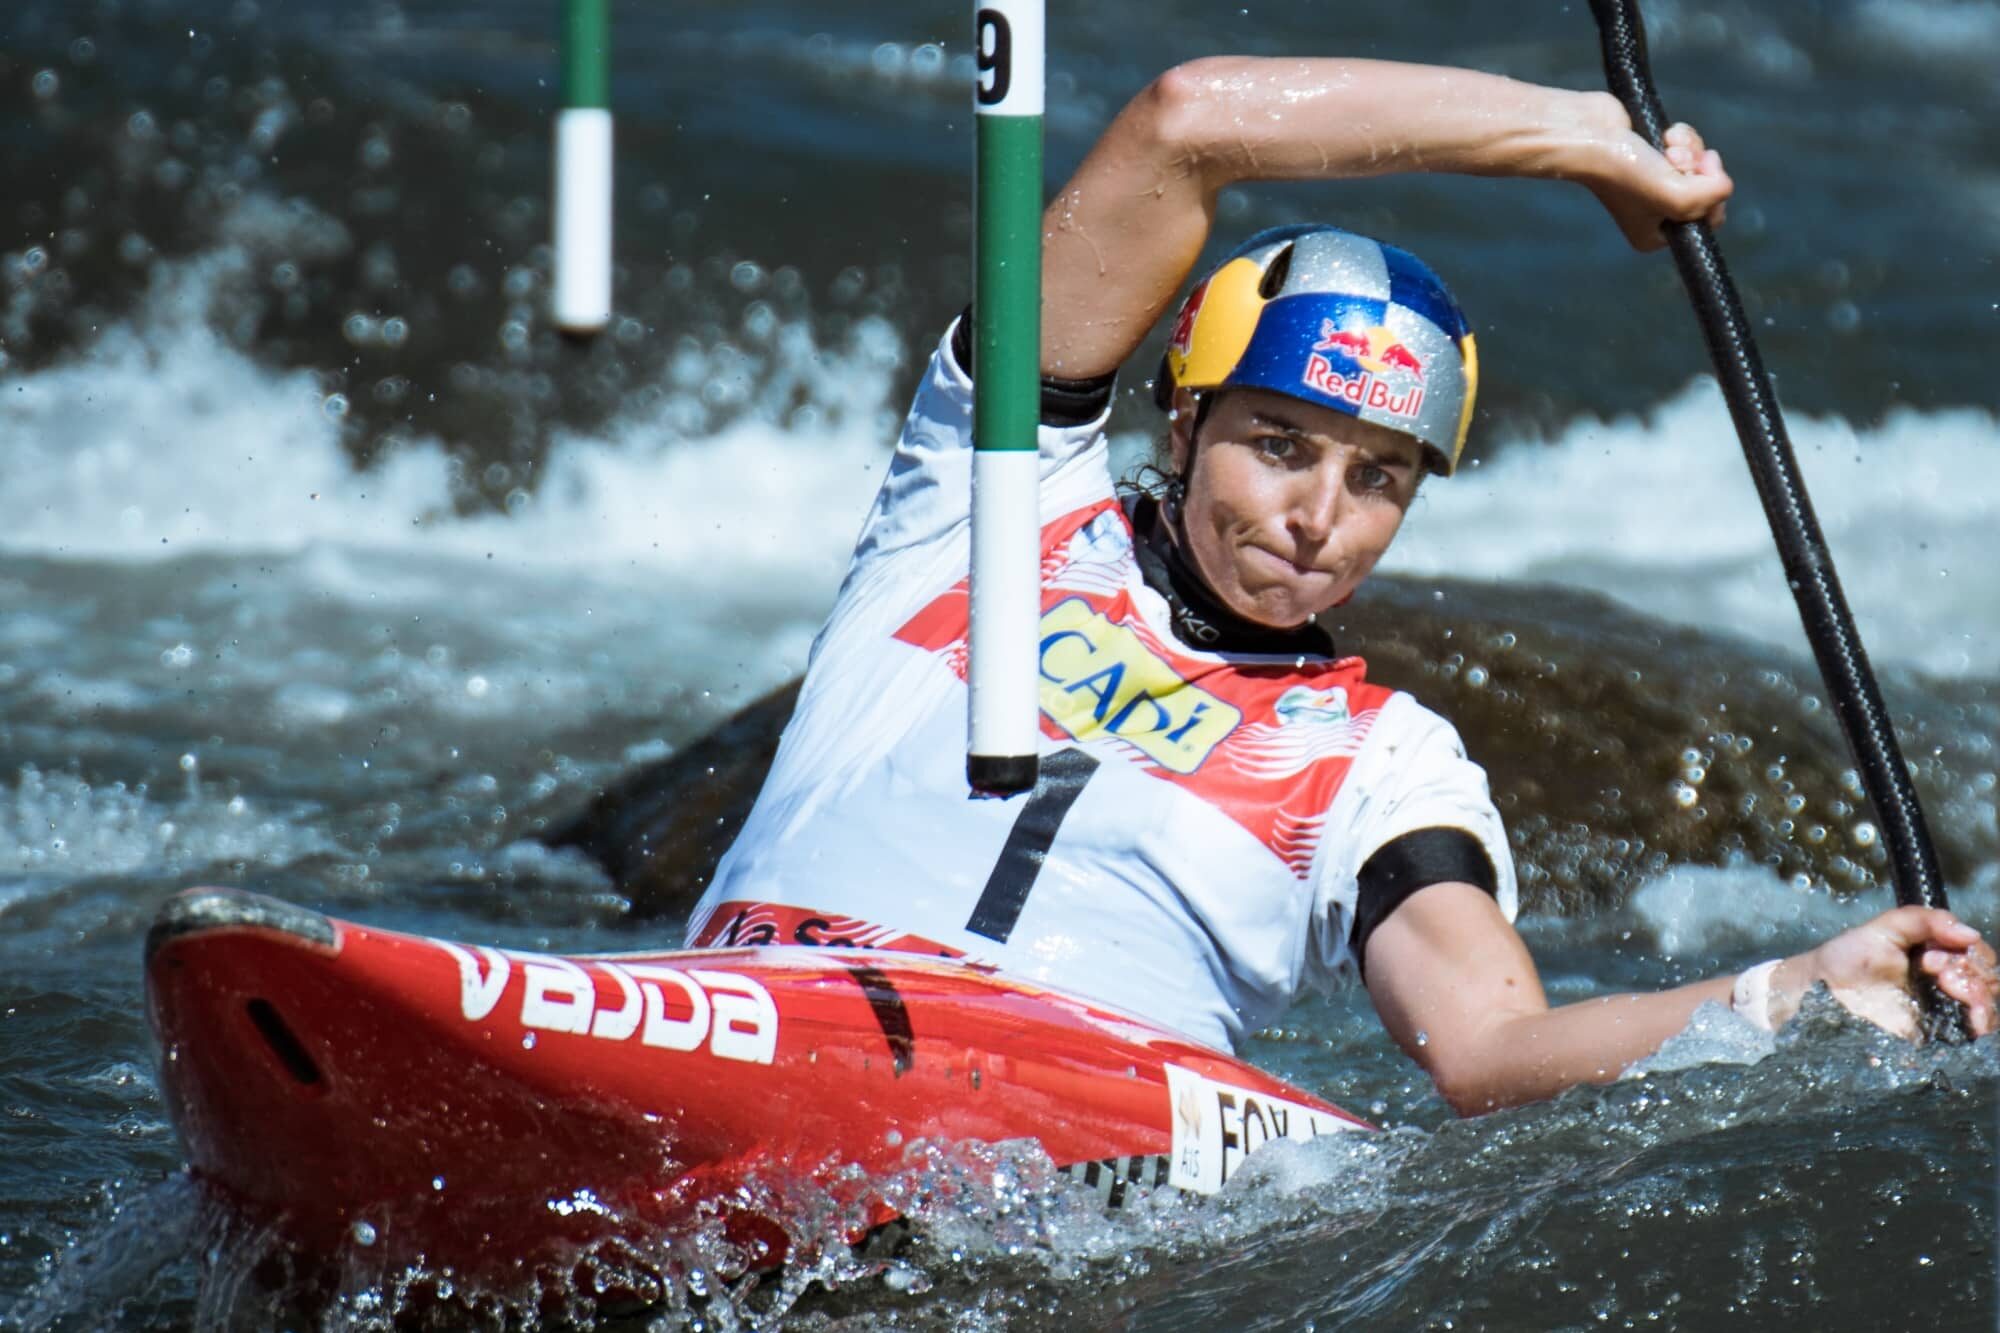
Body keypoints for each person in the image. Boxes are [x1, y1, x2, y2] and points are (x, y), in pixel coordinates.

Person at [686, 57, 1998, 1114]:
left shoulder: (1387, 764)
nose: (1320, 516)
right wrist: (1584, 137)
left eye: (1379, 477)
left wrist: (1797, 981)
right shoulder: (983, 501)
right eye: (1279, 445)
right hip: (749, 1009)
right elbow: (1185, 124)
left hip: (1071, 1118)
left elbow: (1490, 1046)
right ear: (1184, 424)